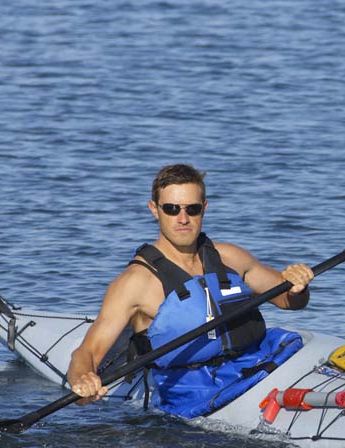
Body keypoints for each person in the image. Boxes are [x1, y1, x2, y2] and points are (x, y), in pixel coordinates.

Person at [66, 163, 314, 418]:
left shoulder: (231, 257)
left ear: (204, 208)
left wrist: (297, 287)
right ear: (155, 210)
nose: (183, 219)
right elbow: (88, 352)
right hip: (192, 391)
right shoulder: (134, 283)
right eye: (172, 209)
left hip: (257, 362)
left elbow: (289, 301)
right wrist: (83, 378)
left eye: (192, 209)